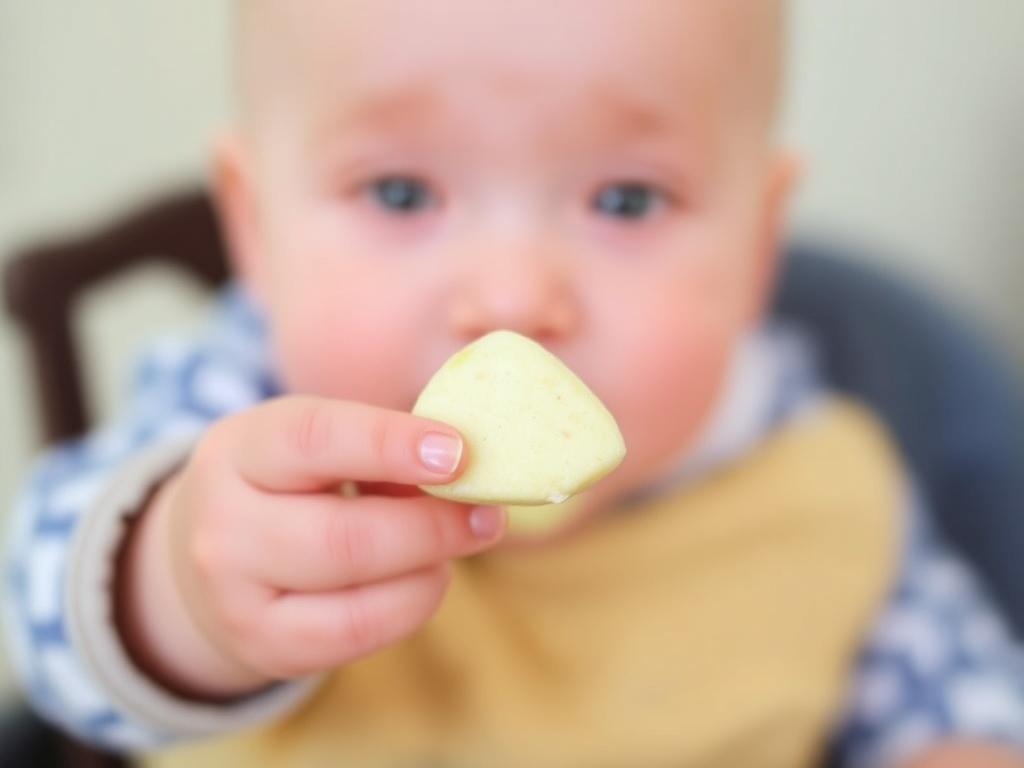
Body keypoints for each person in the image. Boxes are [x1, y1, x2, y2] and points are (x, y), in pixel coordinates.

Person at [6, 2, 1024, 766]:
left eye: (625, 201)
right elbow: (48, 614)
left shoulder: (808, 462)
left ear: (756, 246)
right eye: (400, 191)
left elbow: (948, 685)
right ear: (256, 229)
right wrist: (181, 591)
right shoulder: (243, 414)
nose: (510, 296)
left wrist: (958, 744)